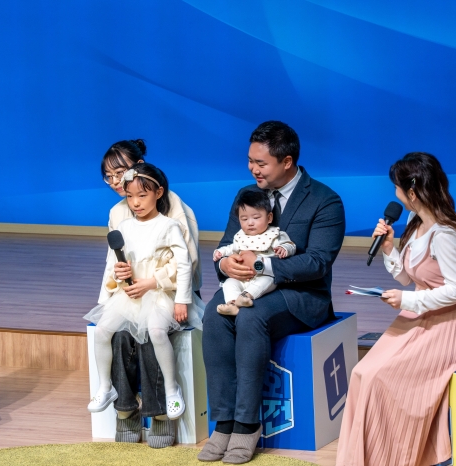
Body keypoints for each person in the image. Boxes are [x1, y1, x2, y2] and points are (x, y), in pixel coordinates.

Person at [199, 121, 345, 464]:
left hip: (300, 295)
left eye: (260, 163)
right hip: (245, 286)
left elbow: (317, 262)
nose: (253, 169)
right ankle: (224, 422)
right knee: (214, 316)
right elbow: (227, 244)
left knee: (251, 317)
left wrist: (261, 265)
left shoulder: (325, 200)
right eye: (250, 161)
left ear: (287, 161)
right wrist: (226, 265)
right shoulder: (246, 195)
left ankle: (247, 424)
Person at [336, 152, 456, 466]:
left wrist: (407, 301)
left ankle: (396, 456)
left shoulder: (445, 235)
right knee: (362, 372)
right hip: (418, 317)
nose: (395, 194)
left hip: (447, 327)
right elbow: (408, 277)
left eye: (397, 188)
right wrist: (389, 249)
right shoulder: (416, 226)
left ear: (412, 192)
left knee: (378, 378)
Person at [100, 139, 202, 448]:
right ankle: (125, 410)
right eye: (108, 176)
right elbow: (114, 259)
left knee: (149, 335)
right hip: (132, 295)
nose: (115, 181)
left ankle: (160, 414)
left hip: (169, 294)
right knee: (118, 336)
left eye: (120, 172)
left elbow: (187, 262)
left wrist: (152, 282)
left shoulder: (173, 207)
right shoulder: (117, 212)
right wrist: (114, 289)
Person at [213, 190, 296, 316]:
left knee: (268, 280)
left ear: (269, 218)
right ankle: (232, 304)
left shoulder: (274, 234)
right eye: (244, 219)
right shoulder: (240, 236)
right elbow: (232, 247)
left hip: (263, 274)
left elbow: (290, 245)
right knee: (229, 283)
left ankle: (246, 296)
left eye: (256, 218)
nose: (250, 223)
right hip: (243, 277)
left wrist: (284, 249)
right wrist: (221, 252)